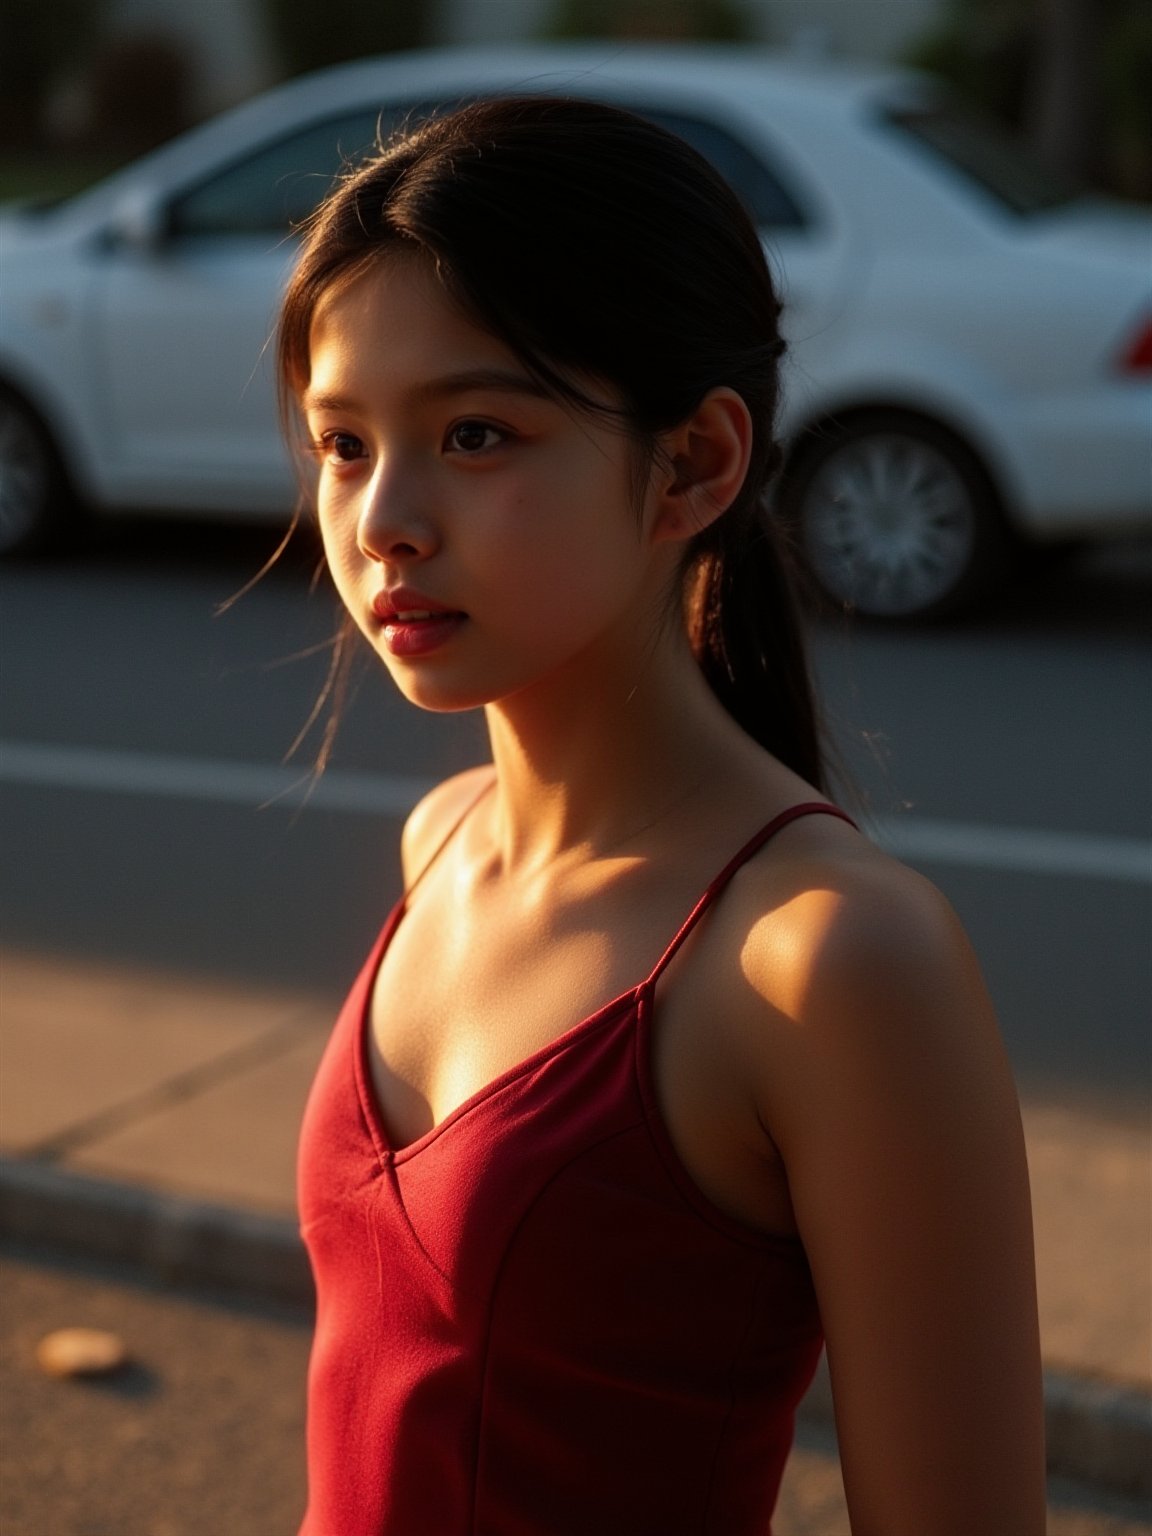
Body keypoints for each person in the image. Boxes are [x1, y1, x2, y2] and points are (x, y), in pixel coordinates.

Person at [281, 96, 1044, 1534]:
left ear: (695, 463)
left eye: (477, 432)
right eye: (343, 443)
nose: (384, 518)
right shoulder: (440, 840)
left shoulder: (829, 962)